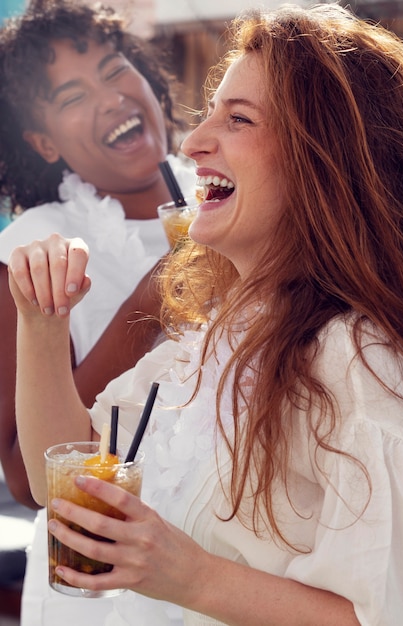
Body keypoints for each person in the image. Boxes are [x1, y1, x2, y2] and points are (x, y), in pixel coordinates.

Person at [8, 3, 403, 624]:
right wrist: (42, 323)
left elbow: (383, 614)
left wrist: (192, 577)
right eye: (207, 116)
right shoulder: (217, 328)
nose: (194, 142)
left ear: (322, 159)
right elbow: (61, 480)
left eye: (239, 118)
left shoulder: (357, 359)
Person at [0, 0, 195, 624]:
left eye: (115, 70)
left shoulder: (226, 192)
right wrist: (153, 300)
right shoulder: (35, 246)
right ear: (43, 142)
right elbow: (27, 483)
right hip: (103, 589)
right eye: (72, 95)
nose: (110, 98)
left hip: (229, 566)